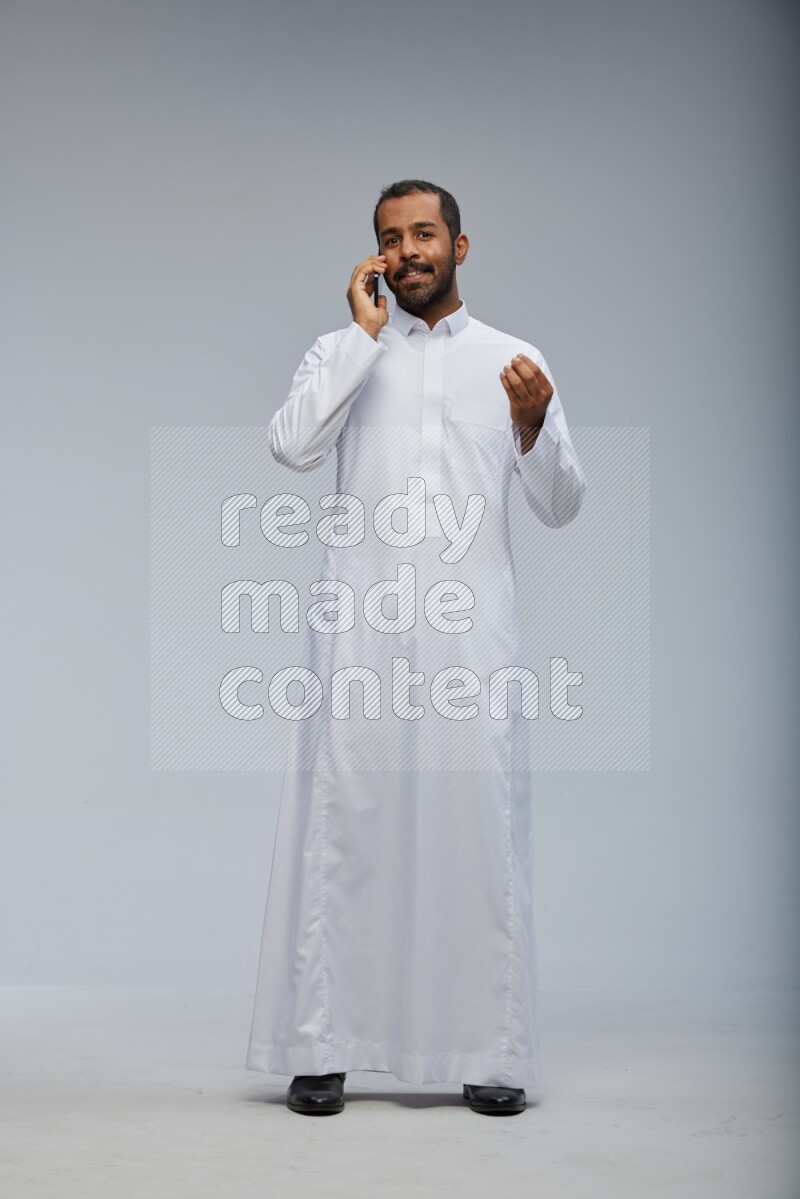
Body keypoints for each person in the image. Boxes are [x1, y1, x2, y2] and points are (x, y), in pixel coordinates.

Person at [246, 179, 587, 1116]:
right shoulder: (341, 352)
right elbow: (292, 448)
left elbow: (561, 504)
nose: (408, 252)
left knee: (477, 831)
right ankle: (323, 1046)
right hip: (361, 634)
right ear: (375, 255)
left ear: (459, 247)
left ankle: (490, 1051)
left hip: (471, 637)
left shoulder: (514, 360)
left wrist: (533, 427)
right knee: (344, 829)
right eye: (391, 238)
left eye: (424, 233)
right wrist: (362, 341)